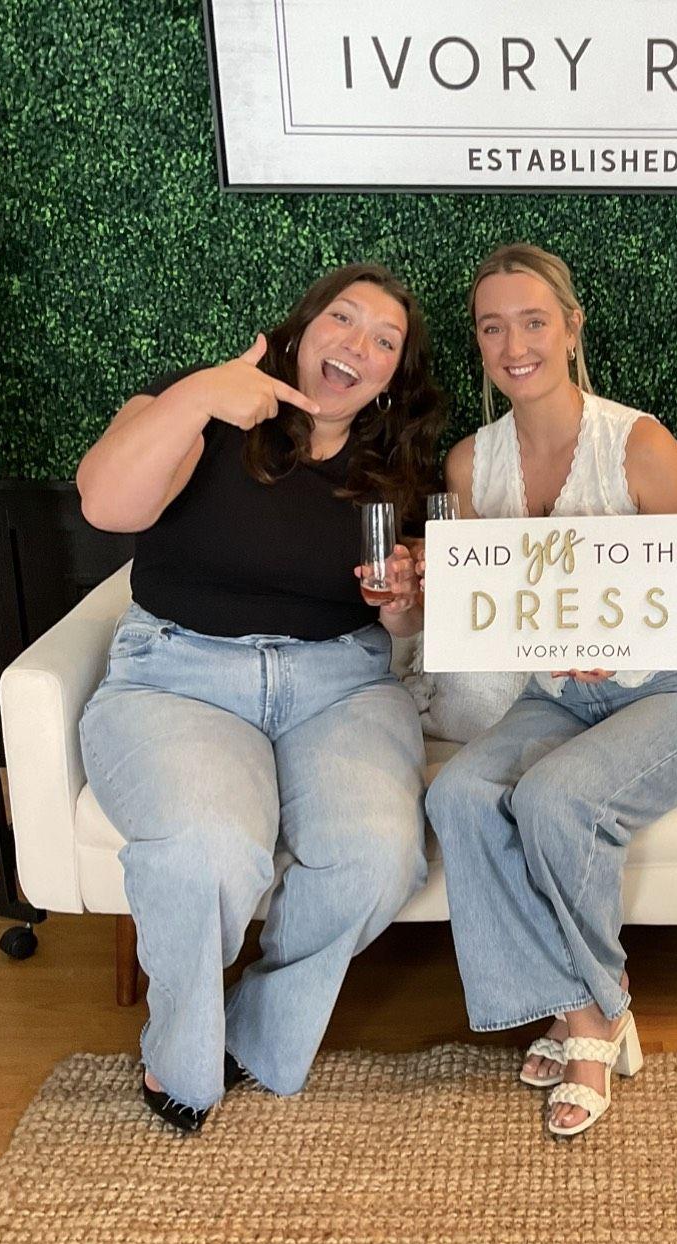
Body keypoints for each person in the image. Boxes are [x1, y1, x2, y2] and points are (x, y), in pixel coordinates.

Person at [76, 262, 440, 1132]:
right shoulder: (198, 408)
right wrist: (198, 394)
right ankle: (182, 1060)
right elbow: (104, 505)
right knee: (209, 849)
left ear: (392, 377)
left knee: (376, 855)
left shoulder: (399, 467)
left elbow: (403, 623)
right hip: (180, 677)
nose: (357, 345)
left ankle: (251, 1030)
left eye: (384, 341)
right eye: (342, 319)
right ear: (300, 330)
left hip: (340, 685)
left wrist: (403, 600)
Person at [425, 244, 677, 1137]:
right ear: (479, 342)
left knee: (554, 798)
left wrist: (616, 642)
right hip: (555, 697)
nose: (515, 345)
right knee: (456, 795)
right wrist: (434, 592)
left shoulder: (638, 443)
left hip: (674, 691)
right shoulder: (469, 465)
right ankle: (588, 1005)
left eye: (534, 322)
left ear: (572, 329)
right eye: (493, 327)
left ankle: (587, 1020)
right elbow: (487, 605)